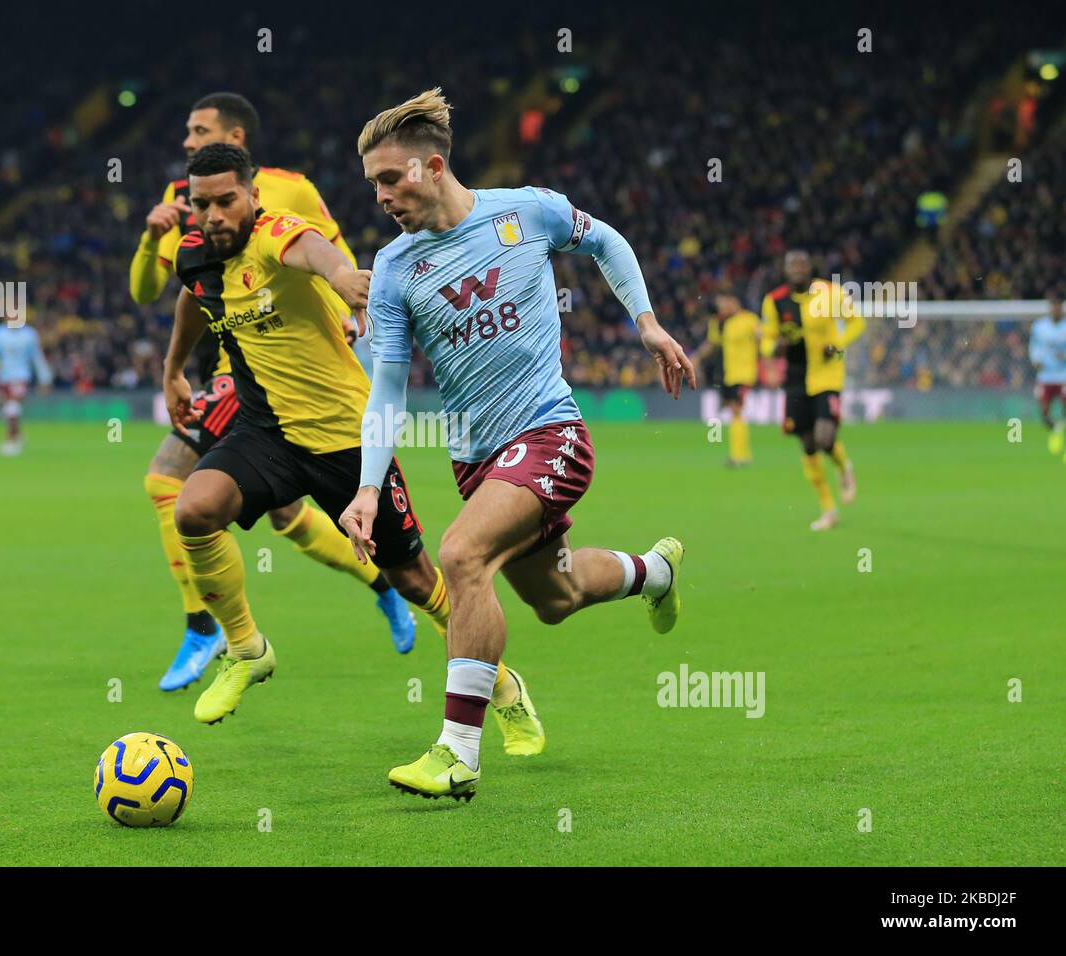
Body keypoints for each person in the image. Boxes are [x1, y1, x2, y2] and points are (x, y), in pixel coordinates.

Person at [340, 89, 695, 801]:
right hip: (477, 458)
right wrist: (369, 487)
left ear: (433, 167)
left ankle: (456, 753)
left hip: (548, 432)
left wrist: (648, 323)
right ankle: (654, 572)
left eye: (390, 179)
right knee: (555, 597)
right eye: (372, 183)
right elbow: (387, 387)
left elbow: (605, 239)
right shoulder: (395, 270)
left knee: (460, 554)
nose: (379, 196)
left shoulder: (526, 211)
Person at [164, 143, 544, 756]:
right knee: (194, 509)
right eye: (200, 203)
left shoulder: (275, 235)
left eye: (226, 200)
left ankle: (500, 685)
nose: (212, 214)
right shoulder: (193, 256)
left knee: (417, 579)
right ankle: (246, 651)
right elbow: (192, 296)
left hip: (347, 438)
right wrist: (173, 370)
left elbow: (311, 250)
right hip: (268, 435)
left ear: (252, 197)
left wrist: (342, 276)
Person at [129, 92, 416, 692]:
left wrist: (343, 297)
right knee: (287, 518)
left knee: (167, 482)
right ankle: (379, 586)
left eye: (199, 128)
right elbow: (154, 288)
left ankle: (204, 626)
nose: (187, 140)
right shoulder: (182, 199)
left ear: (237, 142)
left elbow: (326, 252)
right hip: (228, 357)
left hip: (262, 370)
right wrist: (146, 243)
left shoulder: (291, 191)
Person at [761, 250, 863, 531]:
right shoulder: (774, 301)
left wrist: (838, 344)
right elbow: (766, 340)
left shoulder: (829, 293)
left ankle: (844, 466)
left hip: (827, 376)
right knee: (807, 445)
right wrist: (774, 347)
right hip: (794, 379)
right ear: (784, 269)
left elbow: (856, 321)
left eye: (802, 264)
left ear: (810, 268)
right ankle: (829, 509)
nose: (796, 269)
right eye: (791, 264)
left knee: (823, 436)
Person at [694, 291, 760, 466]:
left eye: (724, 303)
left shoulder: (749, 319)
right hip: (727, 374)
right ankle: (739, 454)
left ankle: (740, 456)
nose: (722, 307)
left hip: (745, 373)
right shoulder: (719, 322)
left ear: (734, 301)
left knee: (737, 410)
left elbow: (762, 339)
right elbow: (712, 343)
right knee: (734, 411)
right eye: (720, 304)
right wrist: (696, 358)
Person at [0, 320, 52, 456]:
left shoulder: (29, 334)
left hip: (21, 376)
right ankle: (18, 434)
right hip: (3, 377)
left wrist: (45, 378)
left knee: (12, 405)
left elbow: (37, 356)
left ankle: (11, 440)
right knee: (7, 410)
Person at [1029, 290, 1066, 457]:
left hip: (1064, 375)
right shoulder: (1039, 326)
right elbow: (1034, 346)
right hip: (1045, 376)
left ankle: (1060, 435)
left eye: (1059, 306)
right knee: (1044, 414)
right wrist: (1035, 359)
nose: (1056, 309)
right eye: (1053, 306)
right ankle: (1057, 431)